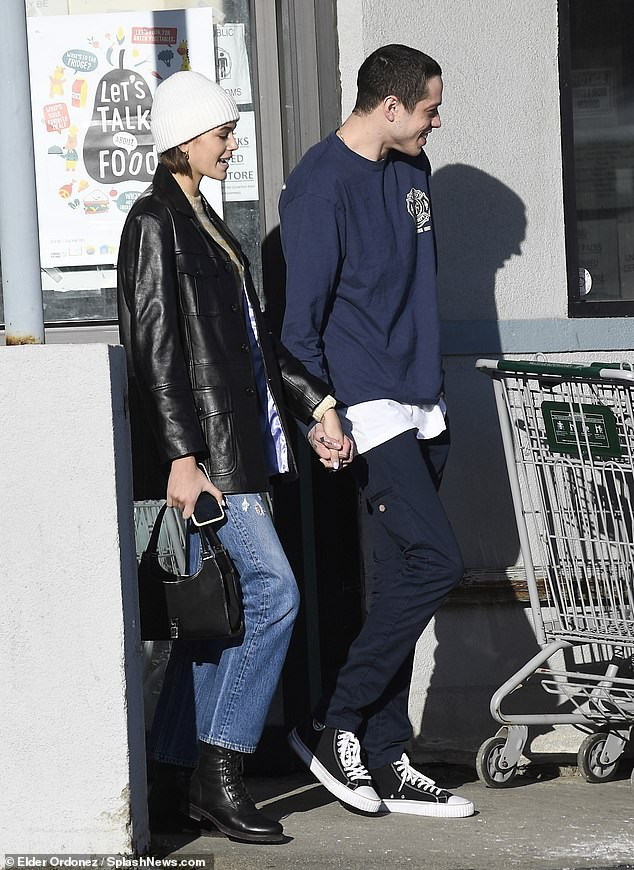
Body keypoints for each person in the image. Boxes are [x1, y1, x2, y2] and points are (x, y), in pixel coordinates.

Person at [117, 70, 352, 844]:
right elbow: (154, 350)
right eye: (222, 133)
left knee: (215, 620)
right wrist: (182, 457)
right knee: (273, 594)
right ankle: (220, 778)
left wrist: (314, 402)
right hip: (210, 457)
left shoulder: (206, 222)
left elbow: (252, 343)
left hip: (239, 449)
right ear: (184, 138)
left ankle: (173, 773)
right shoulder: (154, 221)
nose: (231, 145)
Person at [279, 44, 475, 819]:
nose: (436, 120)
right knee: (438, 563)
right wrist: (322, 410)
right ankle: (337, 722)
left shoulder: (413, 168)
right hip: (370, 406)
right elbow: (298, 326)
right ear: (389, 107)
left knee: (400, 583)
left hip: (426, 401)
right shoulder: (319, 185)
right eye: (429, 108)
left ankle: (388, 754)